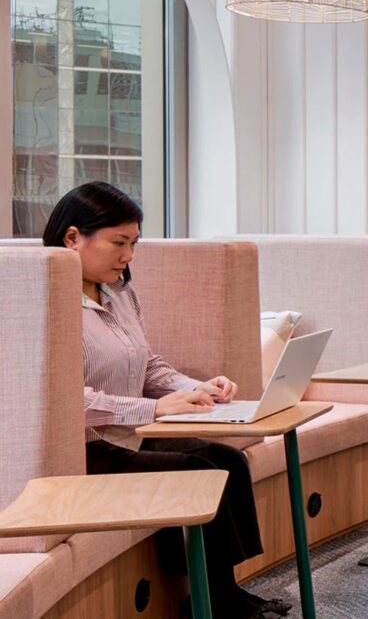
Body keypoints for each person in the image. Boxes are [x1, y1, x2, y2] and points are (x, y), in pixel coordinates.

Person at [43, 182, 290, 619]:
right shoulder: (46, 303)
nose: (128, 256)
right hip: (82, 450)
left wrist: (194, 387)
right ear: (72, 237)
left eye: (133, 243)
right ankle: (210, 597)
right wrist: (155, 408)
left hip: (127, 435)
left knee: (227, 459)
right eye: (119, 243)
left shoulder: (120, 294)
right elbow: (63, 401)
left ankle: (221, 589)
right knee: (195, 470)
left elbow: (148, 364)